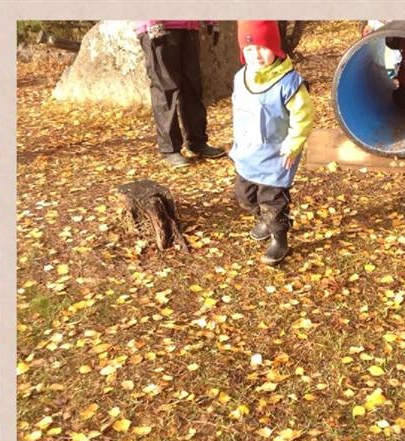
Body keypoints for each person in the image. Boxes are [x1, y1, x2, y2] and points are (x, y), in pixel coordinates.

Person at [230, 20, 314, 265]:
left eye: (262, 47)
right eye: (248, 49)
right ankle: (263, 218)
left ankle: (279, 236)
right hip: (247, 152)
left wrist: (292, 144)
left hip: (276, 154)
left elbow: (303, 117)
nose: (255, 55)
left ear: (275, 48)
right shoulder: (240, 77)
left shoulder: (289, 83)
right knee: (244, 196)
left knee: (272, 201)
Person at [134, 21, 227, 168]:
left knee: (192, 86)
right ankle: (169, 149)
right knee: (166, 88)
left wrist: (211, 20)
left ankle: (197, 142)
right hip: (159, 26)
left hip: (189, 25)